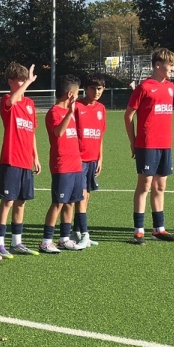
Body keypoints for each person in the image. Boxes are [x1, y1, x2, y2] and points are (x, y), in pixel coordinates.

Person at [125, 49, 174, 244]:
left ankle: (159, 229)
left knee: (160, 186)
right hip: (147, 144)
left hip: (165, 144)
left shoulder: (171, 87)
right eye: (170, 65)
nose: (173, 69)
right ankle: (138, 231)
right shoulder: (144, 87)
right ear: (158, 65)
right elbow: (128, 116)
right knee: (145, 185)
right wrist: (133, 141)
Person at [0, 62, 39, 258]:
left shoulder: (30, 104)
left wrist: (35, 156)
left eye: (24, 80)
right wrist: (28, 82)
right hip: (11, 160)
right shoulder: (7, 100)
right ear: (11, 82)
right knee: (8, 202)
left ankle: (16, 242)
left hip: (25, 162)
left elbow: (32, 131)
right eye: (20, 80)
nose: (24, 83)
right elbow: (12, 100)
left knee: (21, 202)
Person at [39, 76, 84, 253]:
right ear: (70, 94)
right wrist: (70, 113)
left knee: (70, 203)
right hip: (62, 165)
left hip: (75, 164)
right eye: (77, 93)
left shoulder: (68, 112)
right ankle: (46, 241)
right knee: (58, 203)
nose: (78, 97)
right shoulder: (54, 112)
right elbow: (58, 133)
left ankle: (64, 238)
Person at [73, 70, 108, 248]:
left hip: (93, 159)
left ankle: (76, 231)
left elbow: (100, 135)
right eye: (93, 88)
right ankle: (84, 234)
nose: (96, 92)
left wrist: (100, 158)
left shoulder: (101, 109)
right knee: (81, 195)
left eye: (99, 89)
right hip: (78, 158)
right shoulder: (77, 106)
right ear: (85, 89)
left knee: (86, 196)